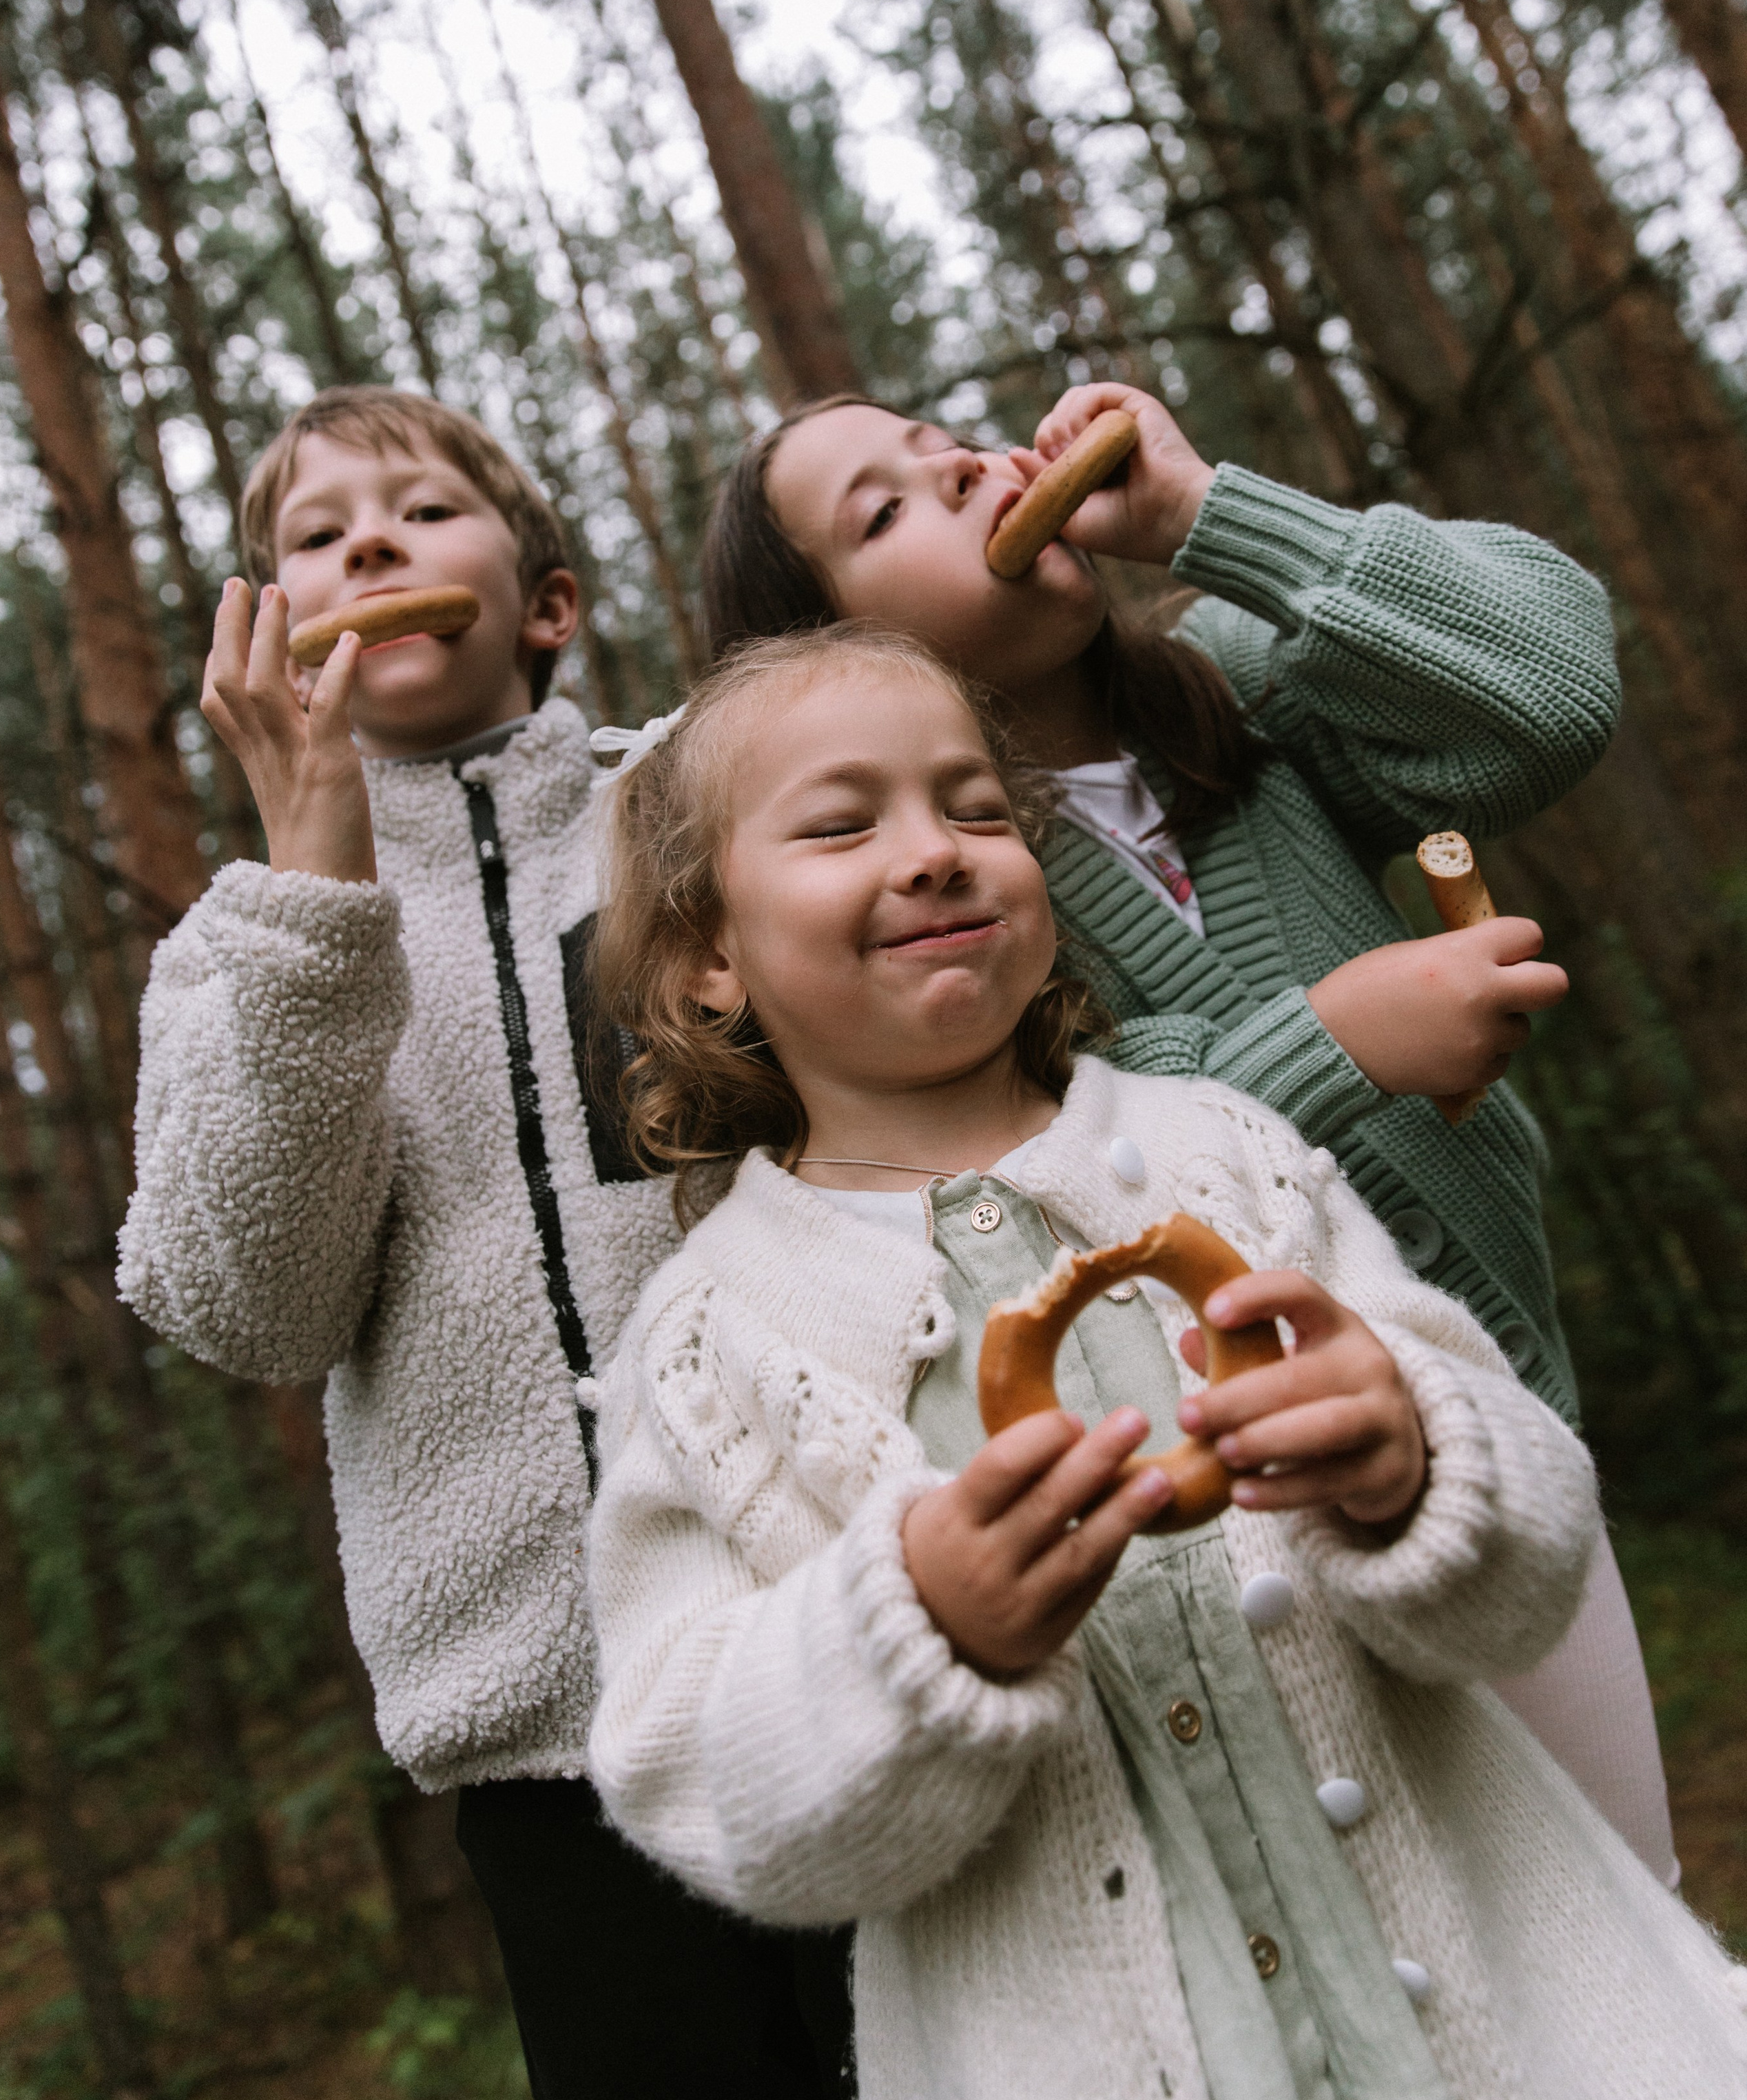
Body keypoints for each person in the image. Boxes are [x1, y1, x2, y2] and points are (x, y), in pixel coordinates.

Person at [582, 624, 1746, 2100]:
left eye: (974, 808)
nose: (933, 853)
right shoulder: (708, 1342)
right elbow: (695, 1781)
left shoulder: (1227, 1156)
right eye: (843, 825)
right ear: (706, 957)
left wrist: (1416, 1464)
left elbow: (1527, 1569)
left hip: (1540, 2092)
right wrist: (911, 1635)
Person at [696, 380, 1677, 1884]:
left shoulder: (1241, 695)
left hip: (1488, 1429)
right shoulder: (940, 908)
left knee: (1632, 1915)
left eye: (948, 445)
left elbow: (1546, 688)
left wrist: (1211, 513)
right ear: (834, 653)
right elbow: (1057, 1140)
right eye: (884, 507)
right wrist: (1337, 1042)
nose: (963, 471)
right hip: (1236, 1522)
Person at [116, 389, 867, 2100]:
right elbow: (257, 1310)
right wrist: (314, 892)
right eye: (314, 537)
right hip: (550, 1752)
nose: (367, 545)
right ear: (265, 636)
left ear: (546, 604)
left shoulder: (691, 808)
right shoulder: (229, 954)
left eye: (420, 510)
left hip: (845, 1632)